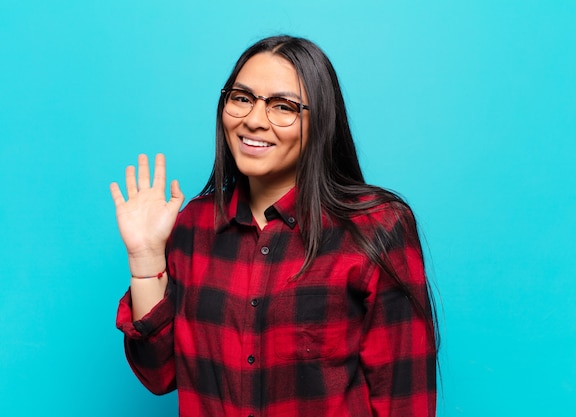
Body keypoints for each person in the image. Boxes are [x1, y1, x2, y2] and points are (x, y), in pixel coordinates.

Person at [111, 35, 438, 417]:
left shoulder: (375, 227)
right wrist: (146, 258)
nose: (253, 120)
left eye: (283, 106)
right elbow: (158, 374)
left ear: (321, 122)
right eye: (242, 98)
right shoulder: (192, 226)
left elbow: (405, 400)